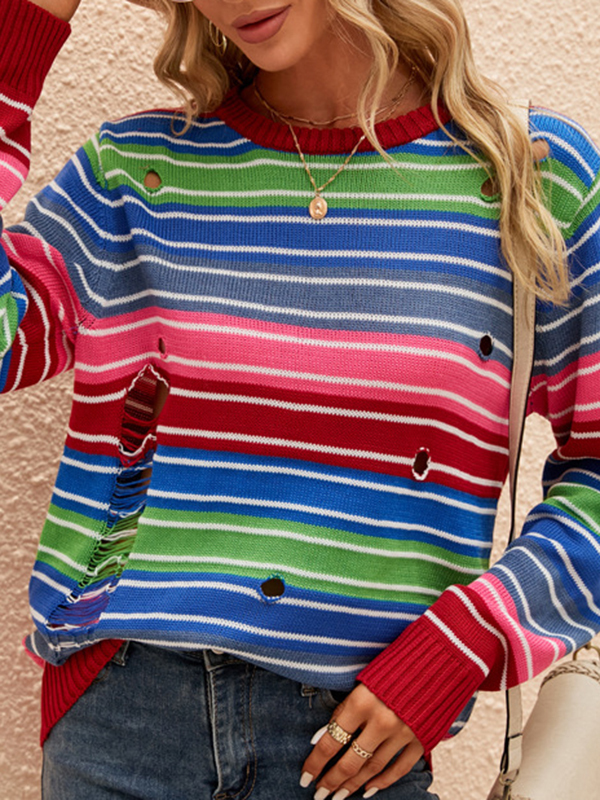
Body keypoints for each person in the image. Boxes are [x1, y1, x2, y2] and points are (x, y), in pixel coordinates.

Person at [1, 0, 599, 798]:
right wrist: (25, 26)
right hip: (120, 730)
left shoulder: (532, 177)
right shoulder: (135, 173)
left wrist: (463, 644)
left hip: (356, 753)